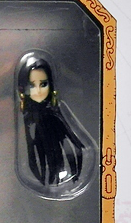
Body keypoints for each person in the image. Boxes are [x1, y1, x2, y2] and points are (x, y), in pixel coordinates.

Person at [17, 53, 86, 187]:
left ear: (51, 86)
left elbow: (72, 142)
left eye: (43, 84)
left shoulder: (55, 115)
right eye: (32, 85)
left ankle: (59, 177)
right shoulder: (28, 120)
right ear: (23, 89)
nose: (38, 91)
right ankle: (47, 178)